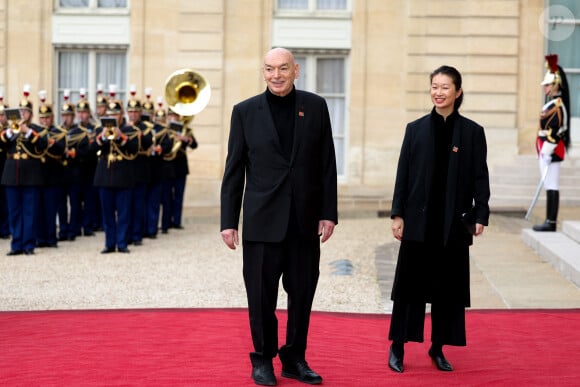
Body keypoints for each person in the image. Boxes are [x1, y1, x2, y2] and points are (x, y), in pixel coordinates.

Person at [220, 47, 338, 386]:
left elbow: (327, 163)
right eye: (270, 69)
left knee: (302, 295)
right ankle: (262, 360)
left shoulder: (315, 107)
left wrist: (328, 212)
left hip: (304, 222)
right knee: (261, 298)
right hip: (261, 222)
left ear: (296, 70)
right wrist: (229, 221)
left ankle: (294, 358)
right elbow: (234, 169)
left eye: (283, 68)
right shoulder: (244, 112)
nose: (277, 75)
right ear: (263, 72)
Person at [387, 65, 490, 373]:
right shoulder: (415, 129)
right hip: (419, 223)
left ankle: (438, 347)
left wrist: (480, 213)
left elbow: (479, 178)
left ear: (458, 92)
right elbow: (403, 175)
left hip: (453, 225)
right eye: (434, 86)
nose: (438, 92)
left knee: (448, 291)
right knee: (408, 289)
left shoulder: (472, 132)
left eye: (445, 87)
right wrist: (397, 214)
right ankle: (397, 347)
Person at [0, 86, 49, 255]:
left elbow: (43, 145)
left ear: (31, 114)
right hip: (12, 174)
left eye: (26, 111)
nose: (23, 114)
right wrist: (8, 132)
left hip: (31, 175)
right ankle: (16, 244)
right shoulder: (9, 130)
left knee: (29, 211)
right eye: (20, 111)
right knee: (14, 211)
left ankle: (28, 244)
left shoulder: (37, 129)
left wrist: (27, 132)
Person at [93, 98, 139, 253]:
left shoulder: (130, 130)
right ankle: (109, 243)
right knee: (107, 215)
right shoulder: (100, 131)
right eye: (110, 114)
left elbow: (134, 150)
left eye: (116, 114)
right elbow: (90, 149)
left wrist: (121, 137)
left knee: (124, 213)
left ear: (121, 115)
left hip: (123, 177)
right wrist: (104, 137)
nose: (114, 117)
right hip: (105, 177)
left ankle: (122, 243)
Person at [532, 54, 571, 232]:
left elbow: (555, 131)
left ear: (555, 85)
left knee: (552, 185)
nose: (545, 87)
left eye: (547, 84)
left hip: (552, 150)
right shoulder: (553, 103)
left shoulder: (557, 105)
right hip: (546, 149)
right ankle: (550, 221)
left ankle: (551, 222)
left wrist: (547, 152)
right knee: (549, 185)